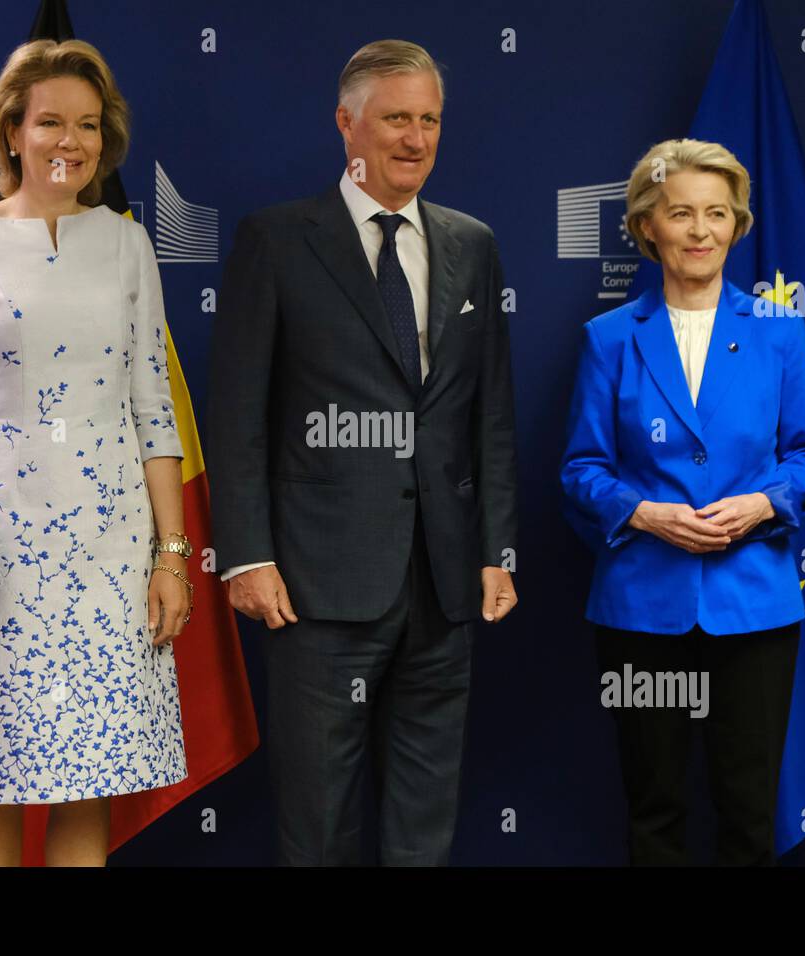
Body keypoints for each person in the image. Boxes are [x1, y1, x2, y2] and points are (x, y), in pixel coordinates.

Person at [206, 39, 519, 865]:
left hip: (444, 582)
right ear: (347, 124)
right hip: (314, 583)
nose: (414, 139)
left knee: (425, 822)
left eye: (429, 120)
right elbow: (235, 414)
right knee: (319, 824)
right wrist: (245, 557)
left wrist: (497, 549)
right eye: (395, 120)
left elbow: (490, 415)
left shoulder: (473, 245)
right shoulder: (276, 241)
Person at [0, 39, 193, 867]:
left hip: (108, 548)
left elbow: (152, 408)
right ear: (12, 133)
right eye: (52, 122)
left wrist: (172, 555)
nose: (72, 142)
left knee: (86, 779)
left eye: (89, 126)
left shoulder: (129, 244)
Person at [559, 138, 805, 865]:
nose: (701, 230)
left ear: (738, 226)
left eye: (718, 214)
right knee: (654, 807)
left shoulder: (779, 331)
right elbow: (582, 468)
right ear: (648, 225)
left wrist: (762, 506)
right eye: (681, 213)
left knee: (748, 809)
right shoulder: (608, 339)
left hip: (755, 607)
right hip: (641, 608)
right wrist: (645, 514)